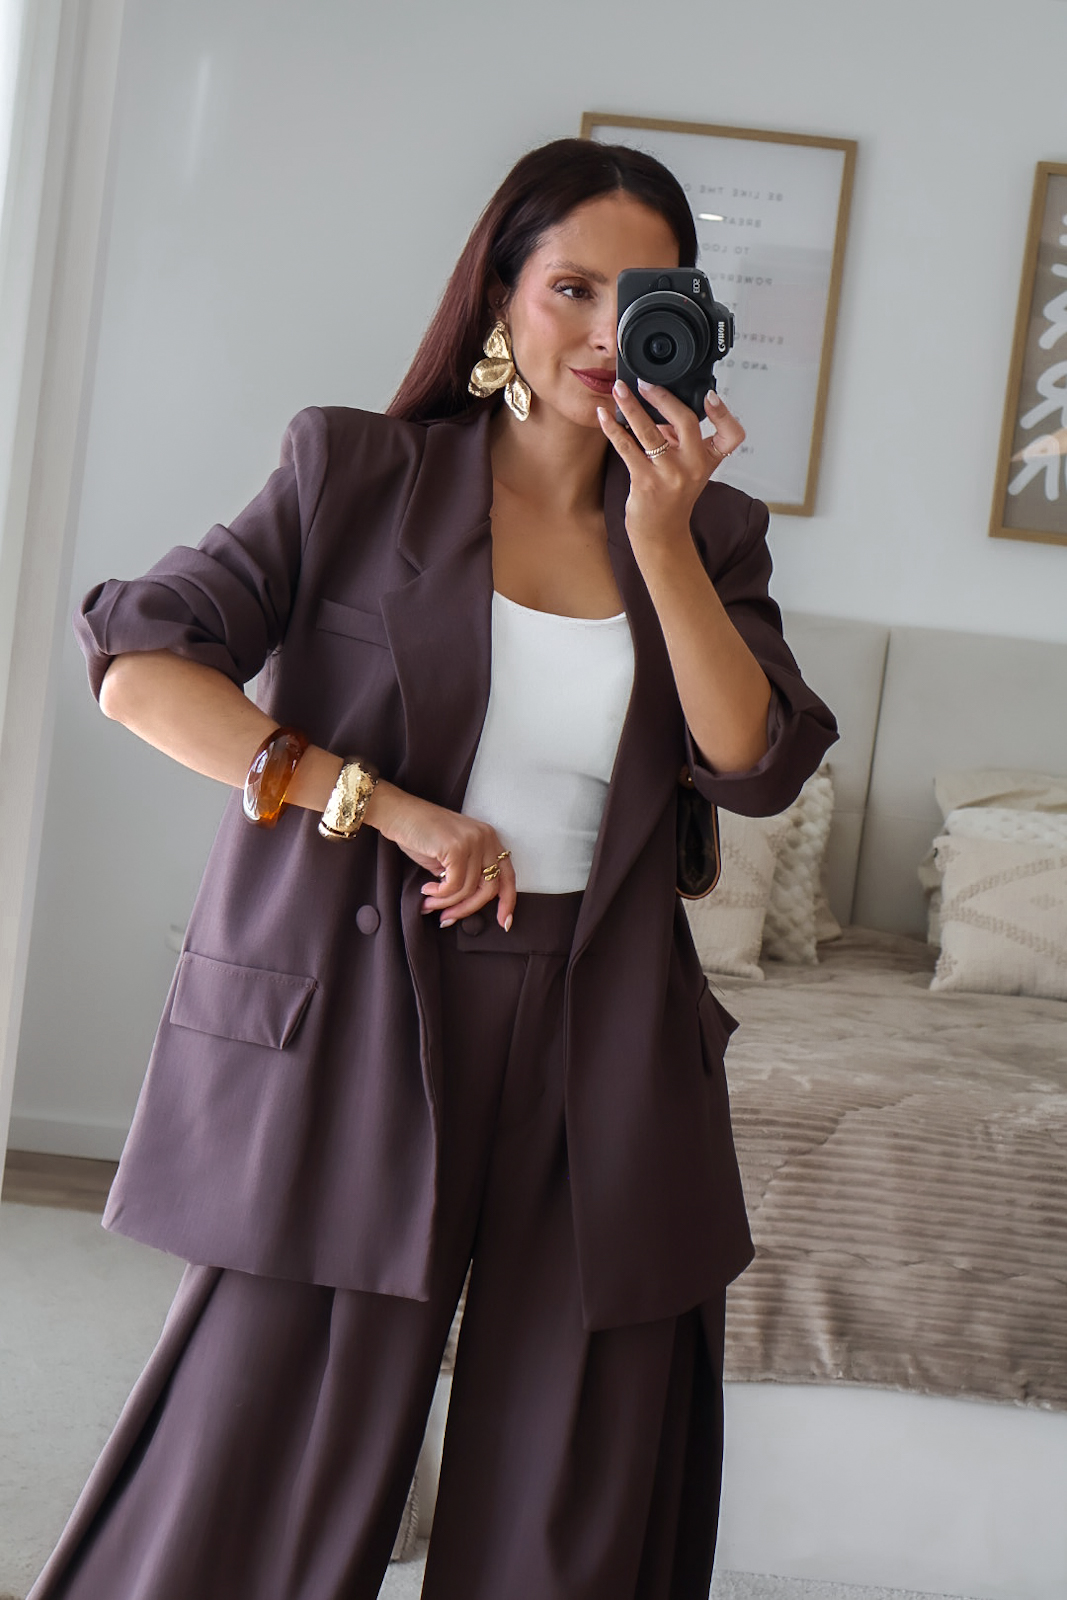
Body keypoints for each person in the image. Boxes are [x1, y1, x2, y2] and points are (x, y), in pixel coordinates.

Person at [27, 137, 837, 1600]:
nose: (606, 331)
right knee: (268, 1466)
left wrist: (660, 540)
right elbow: (141, 666)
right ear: (499, 299)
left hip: (606, 1029)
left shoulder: (711, 534)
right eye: (571, 288)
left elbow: (756, 761)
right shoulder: (355, 473)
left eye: (643, 296)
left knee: (572, 1499)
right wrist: (379, 803)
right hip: (365, 1006)